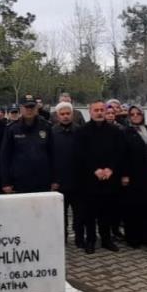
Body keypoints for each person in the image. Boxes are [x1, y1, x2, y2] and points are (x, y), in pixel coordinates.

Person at [75, 100, 126, 253]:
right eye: (95, 110)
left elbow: (120, 152)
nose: (99, 112)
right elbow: (80, 154)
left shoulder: (115, 131)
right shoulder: (82, 131)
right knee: (89, 212)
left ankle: (106, 239)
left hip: (109, 178)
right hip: (90, 178)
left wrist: (110, 168)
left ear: (105, 111)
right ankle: (90, 240)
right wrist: (95, 169)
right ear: (90, 112)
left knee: (107, 211)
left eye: (101, 110)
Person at [0, 95, 58, 194]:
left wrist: (55, 180)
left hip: (43, 180)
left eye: (32, 107)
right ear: (21, 109)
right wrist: (6, 182)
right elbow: (4, 157)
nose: (29, 110)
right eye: (26, 107)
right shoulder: (12, 129)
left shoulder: (46, 127)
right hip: (19, 181)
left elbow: (53, 154)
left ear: (36, 109)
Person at [122, 105, 147, 248]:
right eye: (132, 114)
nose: (136, 116)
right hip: (132, 174)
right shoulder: (126, 132)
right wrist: (124, 174)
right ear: (129, 116)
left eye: (138, 113)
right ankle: (133, 238)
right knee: (133, 207)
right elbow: (122, 154)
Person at [52, 101, 83, 247]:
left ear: (72, 114)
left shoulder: (80, 131)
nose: (65, 116)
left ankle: (79, 238)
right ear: (57, 116)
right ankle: (61, 239)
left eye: (68, 113)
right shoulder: (52, 133)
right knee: (60, 214)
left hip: (77, 180)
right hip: (59, 180)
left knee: (79, 213)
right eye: (62, 114)